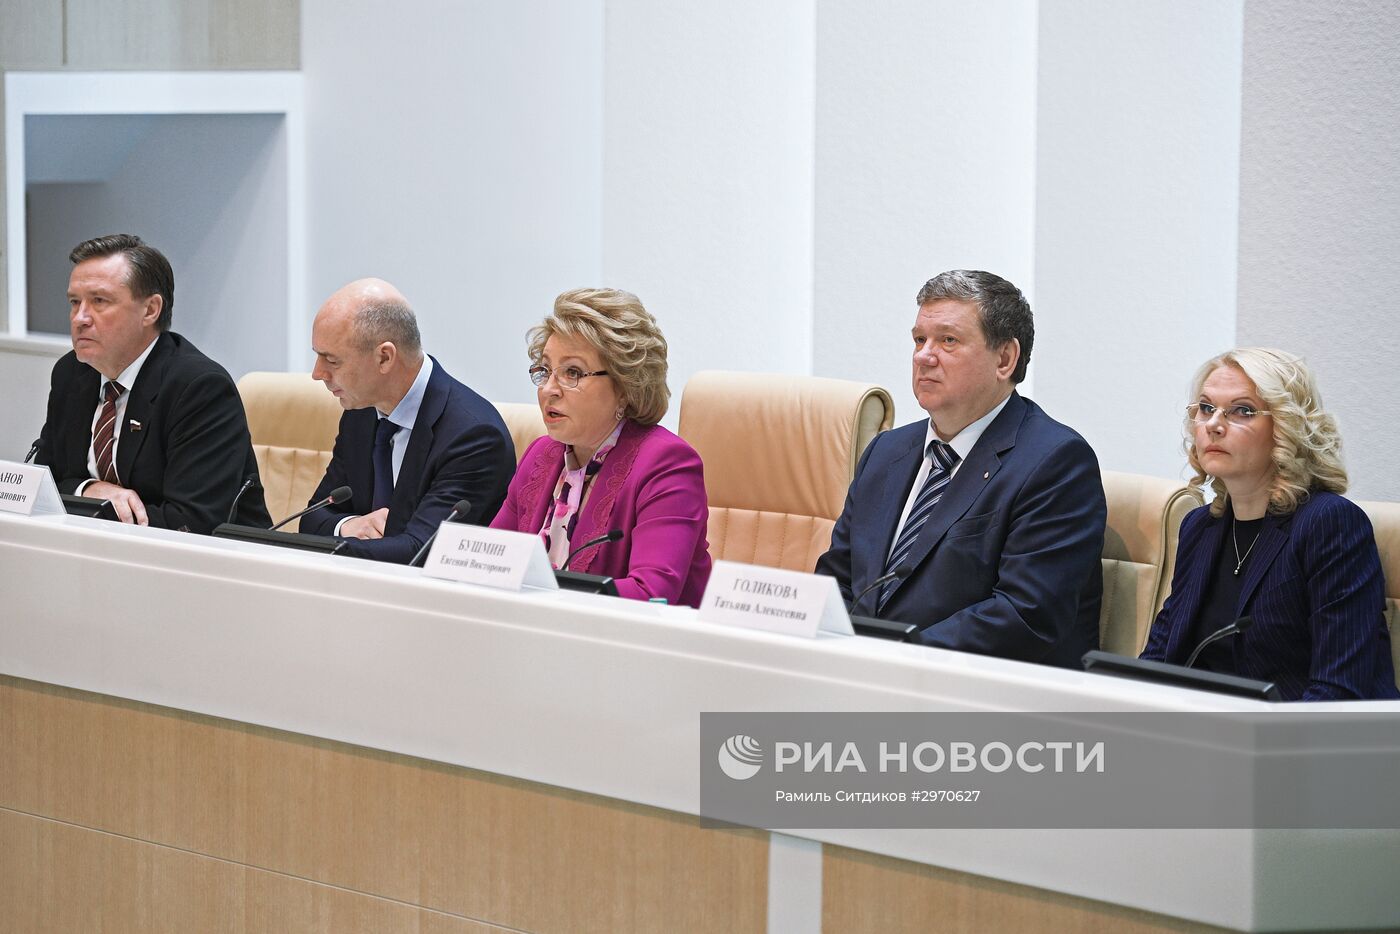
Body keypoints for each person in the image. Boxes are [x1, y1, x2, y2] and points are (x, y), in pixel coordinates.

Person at [816, 270, 1105, 667]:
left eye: (948, 340)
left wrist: (888, 659)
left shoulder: (1055, 462)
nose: (923, 355)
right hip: (865, 680)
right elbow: (838, 579)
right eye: (919, 340)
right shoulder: (888, 451)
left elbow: (1023, 616)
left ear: (1005, 359)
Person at [1140, 349, 1399, 700]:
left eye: (1242, 410)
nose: (1214, 424)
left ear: (1286, 429)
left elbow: (1338, 690)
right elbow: (1158, 658)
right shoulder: (1200, 527)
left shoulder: (1329, 524)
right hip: (1205, 734)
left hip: (1300, 742)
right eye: (1205, 408)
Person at [34, 234, 270, 532]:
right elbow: (43, 484)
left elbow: (191, 522)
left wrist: (91, 504)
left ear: (150, 310)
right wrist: (88, 490)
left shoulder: (199, 388)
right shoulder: (72, 373)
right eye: (74, 302)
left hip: (206, 566)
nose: (80, 318)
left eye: (99, 301)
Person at [491, 288, 711, 606]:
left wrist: (541, 596)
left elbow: (651, 595)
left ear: (625, 387)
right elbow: (493, 559)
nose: (549, 390)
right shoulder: (541, 455)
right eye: (545, 370)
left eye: (572, 373)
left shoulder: (668, 465)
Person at [303, 278, 514, 562]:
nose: (318, 373)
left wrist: (330, 542)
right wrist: (347, 526)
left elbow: (419, 553)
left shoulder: (474, 436)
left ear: (385, 358)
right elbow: (314, 516)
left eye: (332, 360)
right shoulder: (361, 413)